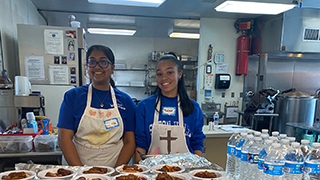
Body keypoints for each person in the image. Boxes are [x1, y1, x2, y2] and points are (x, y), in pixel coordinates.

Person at [57, 45, 136, 167]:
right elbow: (64, 139)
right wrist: (81, 173)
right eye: (92, 62)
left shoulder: (126, 101)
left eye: (103, 62)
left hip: (113, 167)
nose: (97, 67)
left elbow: (130, 142)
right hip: (77, 166)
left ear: (112, 68)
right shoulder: (73, 97)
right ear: (87, 67)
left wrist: (116, 172)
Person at [134, 54, 206, 163]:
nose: (164, 78)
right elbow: (140, 144)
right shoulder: (145, 106)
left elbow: (197, 143)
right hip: (153, 171)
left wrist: (197, 170)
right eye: (159, 74)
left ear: (179, 74)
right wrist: (139, 171)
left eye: (169, 72)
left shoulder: (193, 108)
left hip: (185, 170)